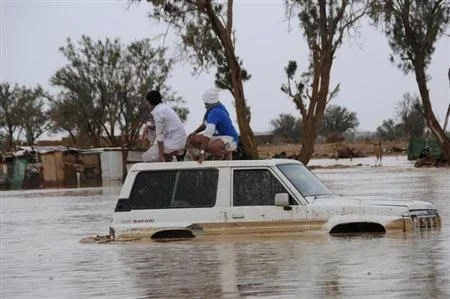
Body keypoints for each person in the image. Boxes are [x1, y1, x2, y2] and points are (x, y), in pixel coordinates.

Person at [187, 88, 239, 163]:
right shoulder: (216, 107)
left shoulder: (215, 112)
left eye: (206, 104)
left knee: (211, 147)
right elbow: (204, 125)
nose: (205, 106)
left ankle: (221, 154)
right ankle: (217, 153)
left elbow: (208, 132)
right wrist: (194, 132)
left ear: (209, 103)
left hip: (231, 139)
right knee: (193, 139)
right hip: (218, 137)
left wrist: (202, 151)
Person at [142, 90, 187, 162]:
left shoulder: (158, 112)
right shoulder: (164, 107)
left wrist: (160, 155)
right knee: (151, 131)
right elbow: (163, 128)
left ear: (150, 102)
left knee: (147, 158)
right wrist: (149, 127)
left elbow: (160, 135)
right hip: (177, 137)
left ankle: (176, 153)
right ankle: (170, 156)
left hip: (175, 140)